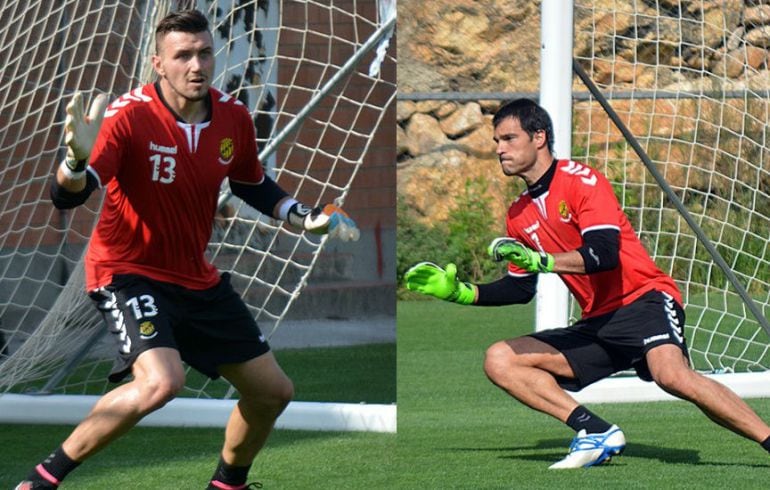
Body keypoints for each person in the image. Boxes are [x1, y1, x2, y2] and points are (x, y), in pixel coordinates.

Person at [17, 9, 358, 490]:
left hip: (195, 277)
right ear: (159, 63)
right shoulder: (127, 117)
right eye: (183, 56)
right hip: (126, 270)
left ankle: (228, 485)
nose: (196, 65)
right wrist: (75, 160)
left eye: (203, 53)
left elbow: (251, 183)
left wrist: (305, 216)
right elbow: (66, 196)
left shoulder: (233, 117)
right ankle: (39, 481)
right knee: (161, 382)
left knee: (273, 393)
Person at [404, 98, 770, 469]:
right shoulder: (518, 214)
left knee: (672, 376)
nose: (499, 149)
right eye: (497, 140)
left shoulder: (582, 181)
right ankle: (595, 431)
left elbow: (604, 253)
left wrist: (543, 260)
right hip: (598, 322)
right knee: (500, 359)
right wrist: (460, 292)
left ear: (539, 137)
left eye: (509, 138)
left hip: (643, 299)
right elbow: (520, 288)